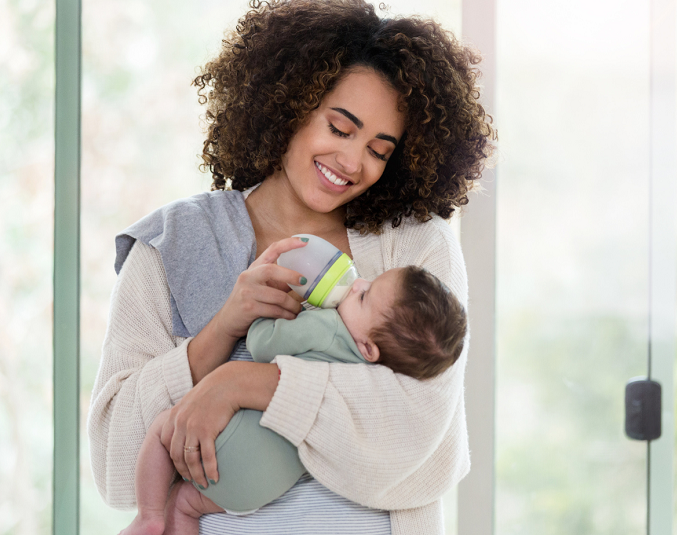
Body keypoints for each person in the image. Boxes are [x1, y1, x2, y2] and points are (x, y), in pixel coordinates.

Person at [87, 0, 495, 533]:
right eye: (340, 127)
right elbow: (115, 464)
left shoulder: (413, 251)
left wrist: (242, 383)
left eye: (379, 149)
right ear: (290, 102)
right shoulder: (173, 246)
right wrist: (222, 330)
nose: (352, 162)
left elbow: (420, 436)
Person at [121, 264, 468, 535]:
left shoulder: (327, 326)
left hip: (221, 456)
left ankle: (149, 517)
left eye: (364, 296)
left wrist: (280, 311)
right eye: (368, 282)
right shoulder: (373, 367)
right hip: (261, 489)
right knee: (186, 503)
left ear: (368, 348)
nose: (358, 283)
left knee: (162, 425)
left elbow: (261, 344)